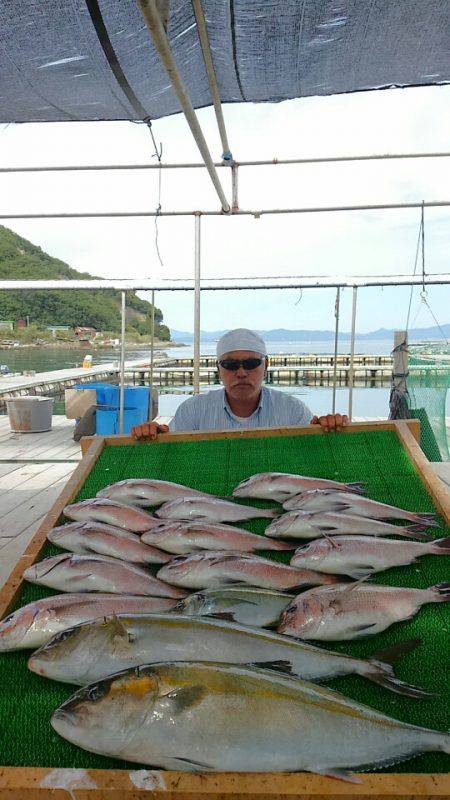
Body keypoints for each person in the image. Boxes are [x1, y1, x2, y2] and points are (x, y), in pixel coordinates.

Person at [131, 328, 348, 439]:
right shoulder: (192, 411)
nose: (242, 373)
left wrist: (330, 426)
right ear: (219, 368)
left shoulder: (292, 410)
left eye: (251, 363)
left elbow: (314, 449)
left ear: (266, 365)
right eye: (231, 364)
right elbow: (170, 452)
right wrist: (150, 433)